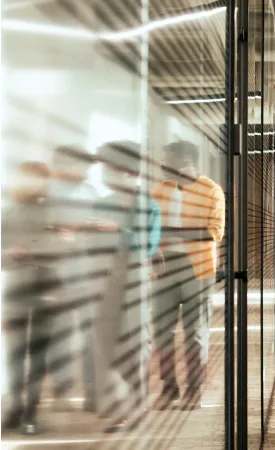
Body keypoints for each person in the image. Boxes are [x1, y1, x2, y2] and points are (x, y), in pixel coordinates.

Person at [91, 141, 161, 433]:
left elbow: (148, 245)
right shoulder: (101, 203)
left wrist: (116, 231)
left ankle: (136, 407)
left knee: (136, 340)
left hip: (134, 273)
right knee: (107, 340)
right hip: (104, 275)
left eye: (109, 168)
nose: (106, 174)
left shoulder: (148, 205)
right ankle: (118, 404)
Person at [151, 140, 225, 411]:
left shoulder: (211, 191)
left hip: (198, 270)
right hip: (164, 268)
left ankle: (194, 391)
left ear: (184, 162)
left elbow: (213, 231)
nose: (162, 165)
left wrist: (168, 233)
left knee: (194, 333)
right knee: (160, 331)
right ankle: (169, 388)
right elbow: (150, 229)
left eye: (167, 160)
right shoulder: (160, 190)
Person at [1, 161, 61, 435]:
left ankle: (31, 413)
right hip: (15, 291)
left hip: (47, 290)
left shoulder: (54, 213)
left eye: (40, 179)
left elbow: (67, 248)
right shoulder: (7, 213)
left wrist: (36, 250)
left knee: (37, 355)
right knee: (13, 355)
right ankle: (13, 409)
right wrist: (10, 255)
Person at [45, 146, 100, 413]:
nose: (86, 171)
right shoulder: (47, 194)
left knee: (92, 336)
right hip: (58, 277)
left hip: (90, 274)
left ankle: (91, 391)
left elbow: (99, 225)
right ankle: (61, 392)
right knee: (61, 338)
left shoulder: (90, 192)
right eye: (81, 166)